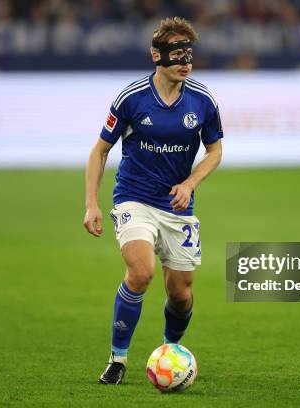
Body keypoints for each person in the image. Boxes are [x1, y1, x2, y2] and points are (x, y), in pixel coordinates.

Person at [83, 16, 223, 385]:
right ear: (155, 56)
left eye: (188, 54)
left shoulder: (203, 100)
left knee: (181, 295)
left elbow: (215, 151)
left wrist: (190, 183)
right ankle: (118, 358)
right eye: (176, 54)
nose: (184, 61)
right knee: (141, 273)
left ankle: (169, 351)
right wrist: (92, 204)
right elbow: (99, 151)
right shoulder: (132, 99)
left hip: (177, 207)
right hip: (134, 199)